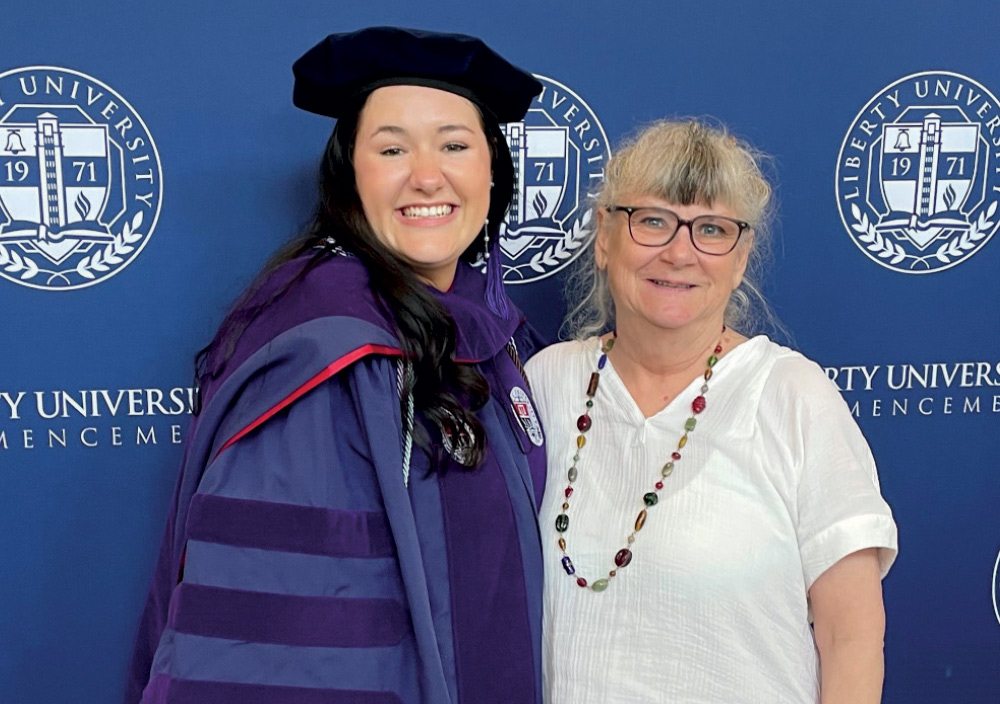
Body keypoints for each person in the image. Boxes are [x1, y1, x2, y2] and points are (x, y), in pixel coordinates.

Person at [126, 27, 547, 704]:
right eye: (391, 149)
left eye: (454, 144)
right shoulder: (327, 355)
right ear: (350, 173)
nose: (427, 174)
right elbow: (293, 640)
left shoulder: (498, 336)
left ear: (491, 168)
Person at [525, 119, 898, 704]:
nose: (679, 253)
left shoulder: (793, 396)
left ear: (741, 256)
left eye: (712, 229)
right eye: (652, 221)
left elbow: (850, 636)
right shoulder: (547, 383)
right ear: (604, 236)